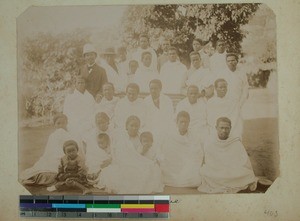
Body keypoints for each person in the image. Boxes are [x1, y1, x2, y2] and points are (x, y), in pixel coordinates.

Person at [99, 116, 164, 194]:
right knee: (118, 173)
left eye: (136, 126)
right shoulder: (122, 139)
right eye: (132, 125)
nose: (134, 128)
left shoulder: (142, 137)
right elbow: (121, 155)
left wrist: (143, 154)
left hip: (139, 162)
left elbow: (144, 154)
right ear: (126, 126)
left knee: (154, 169)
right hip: (125, 163)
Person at [198, 117, 257, 194]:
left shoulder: (236, 142)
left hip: (232, 171)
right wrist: (221, 169)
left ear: (230, 128)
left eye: (227, 128)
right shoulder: (210, 142)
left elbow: (244, 162)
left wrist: (230, 169)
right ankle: (236, 184)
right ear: (216, 128)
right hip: (216, 171)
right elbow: (209, 162)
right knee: (205, 171)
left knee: (247, 173)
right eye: (221, 128)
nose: (224, 131)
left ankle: (227, 182)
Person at [20, 114, 73, 186]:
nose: (61, 125)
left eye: (63, 123)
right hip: (53, 158)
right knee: (44, 167)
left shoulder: (69, 135)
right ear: (54, 125)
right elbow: (49, 151)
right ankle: (41, 178)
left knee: (65, 169)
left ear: (67, 123)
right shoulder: (52, 136)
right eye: (58, 123)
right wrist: (51, 158)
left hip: (66, 157)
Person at [159, 111, 203, 187]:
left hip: (187, 166)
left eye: (186, 122)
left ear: (189, 123)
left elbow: (198, 153)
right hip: (173, 166)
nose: (183, 124)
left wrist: (189, 164)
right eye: (181, 122)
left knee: (196, 180)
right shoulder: (170, 135)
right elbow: (166, 152)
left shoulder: (194, 136)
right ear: (177, 122)